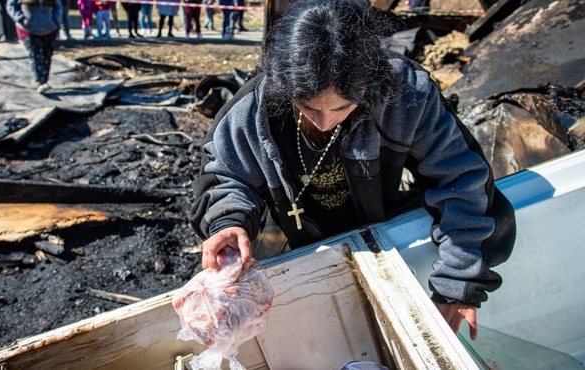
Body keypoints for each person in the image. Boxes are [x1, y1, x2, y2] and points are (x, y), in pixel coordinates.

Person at [190, 0, 516, 340]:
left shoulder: (406, 94)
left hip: (381, 223)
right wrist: (228, 222)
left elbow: (460, 178)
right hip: (293, 236)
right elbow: (227, 177)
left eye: (343, 106)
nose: (324, 121)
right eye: (307, 106)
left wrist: (458, 280)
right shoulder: (251, 112)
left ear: (369, 82)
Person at [6, 0, 62, 93]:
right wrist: (21, 18)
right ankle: (39, 82)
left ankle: (44, 81)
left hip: (49, 28)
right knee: (35, 54)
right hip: (28, 29)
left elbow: (58, 7)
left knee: (47, 55)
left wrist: (55, 21)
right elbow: (11, 5)